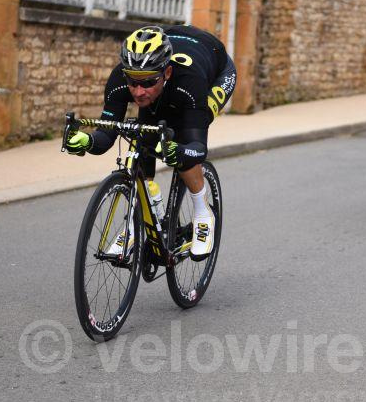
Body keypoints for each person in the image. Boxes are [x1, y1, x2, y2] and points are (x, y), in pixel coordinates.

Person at [62, 25, 236, 257]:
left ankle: (204, 213)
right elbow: (107, 134)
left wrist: (180, 151)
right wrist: (87, 141)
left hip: (215, 69)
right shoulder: (120, 78)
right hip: (174, 58)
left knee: (181, 137)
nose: (138, 91)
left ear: (166, 73)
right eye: (133, 82)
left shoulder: (188, 81)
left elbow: (198, 147)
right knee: (143, 134)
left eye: (147, 82)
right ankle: (139, 221)